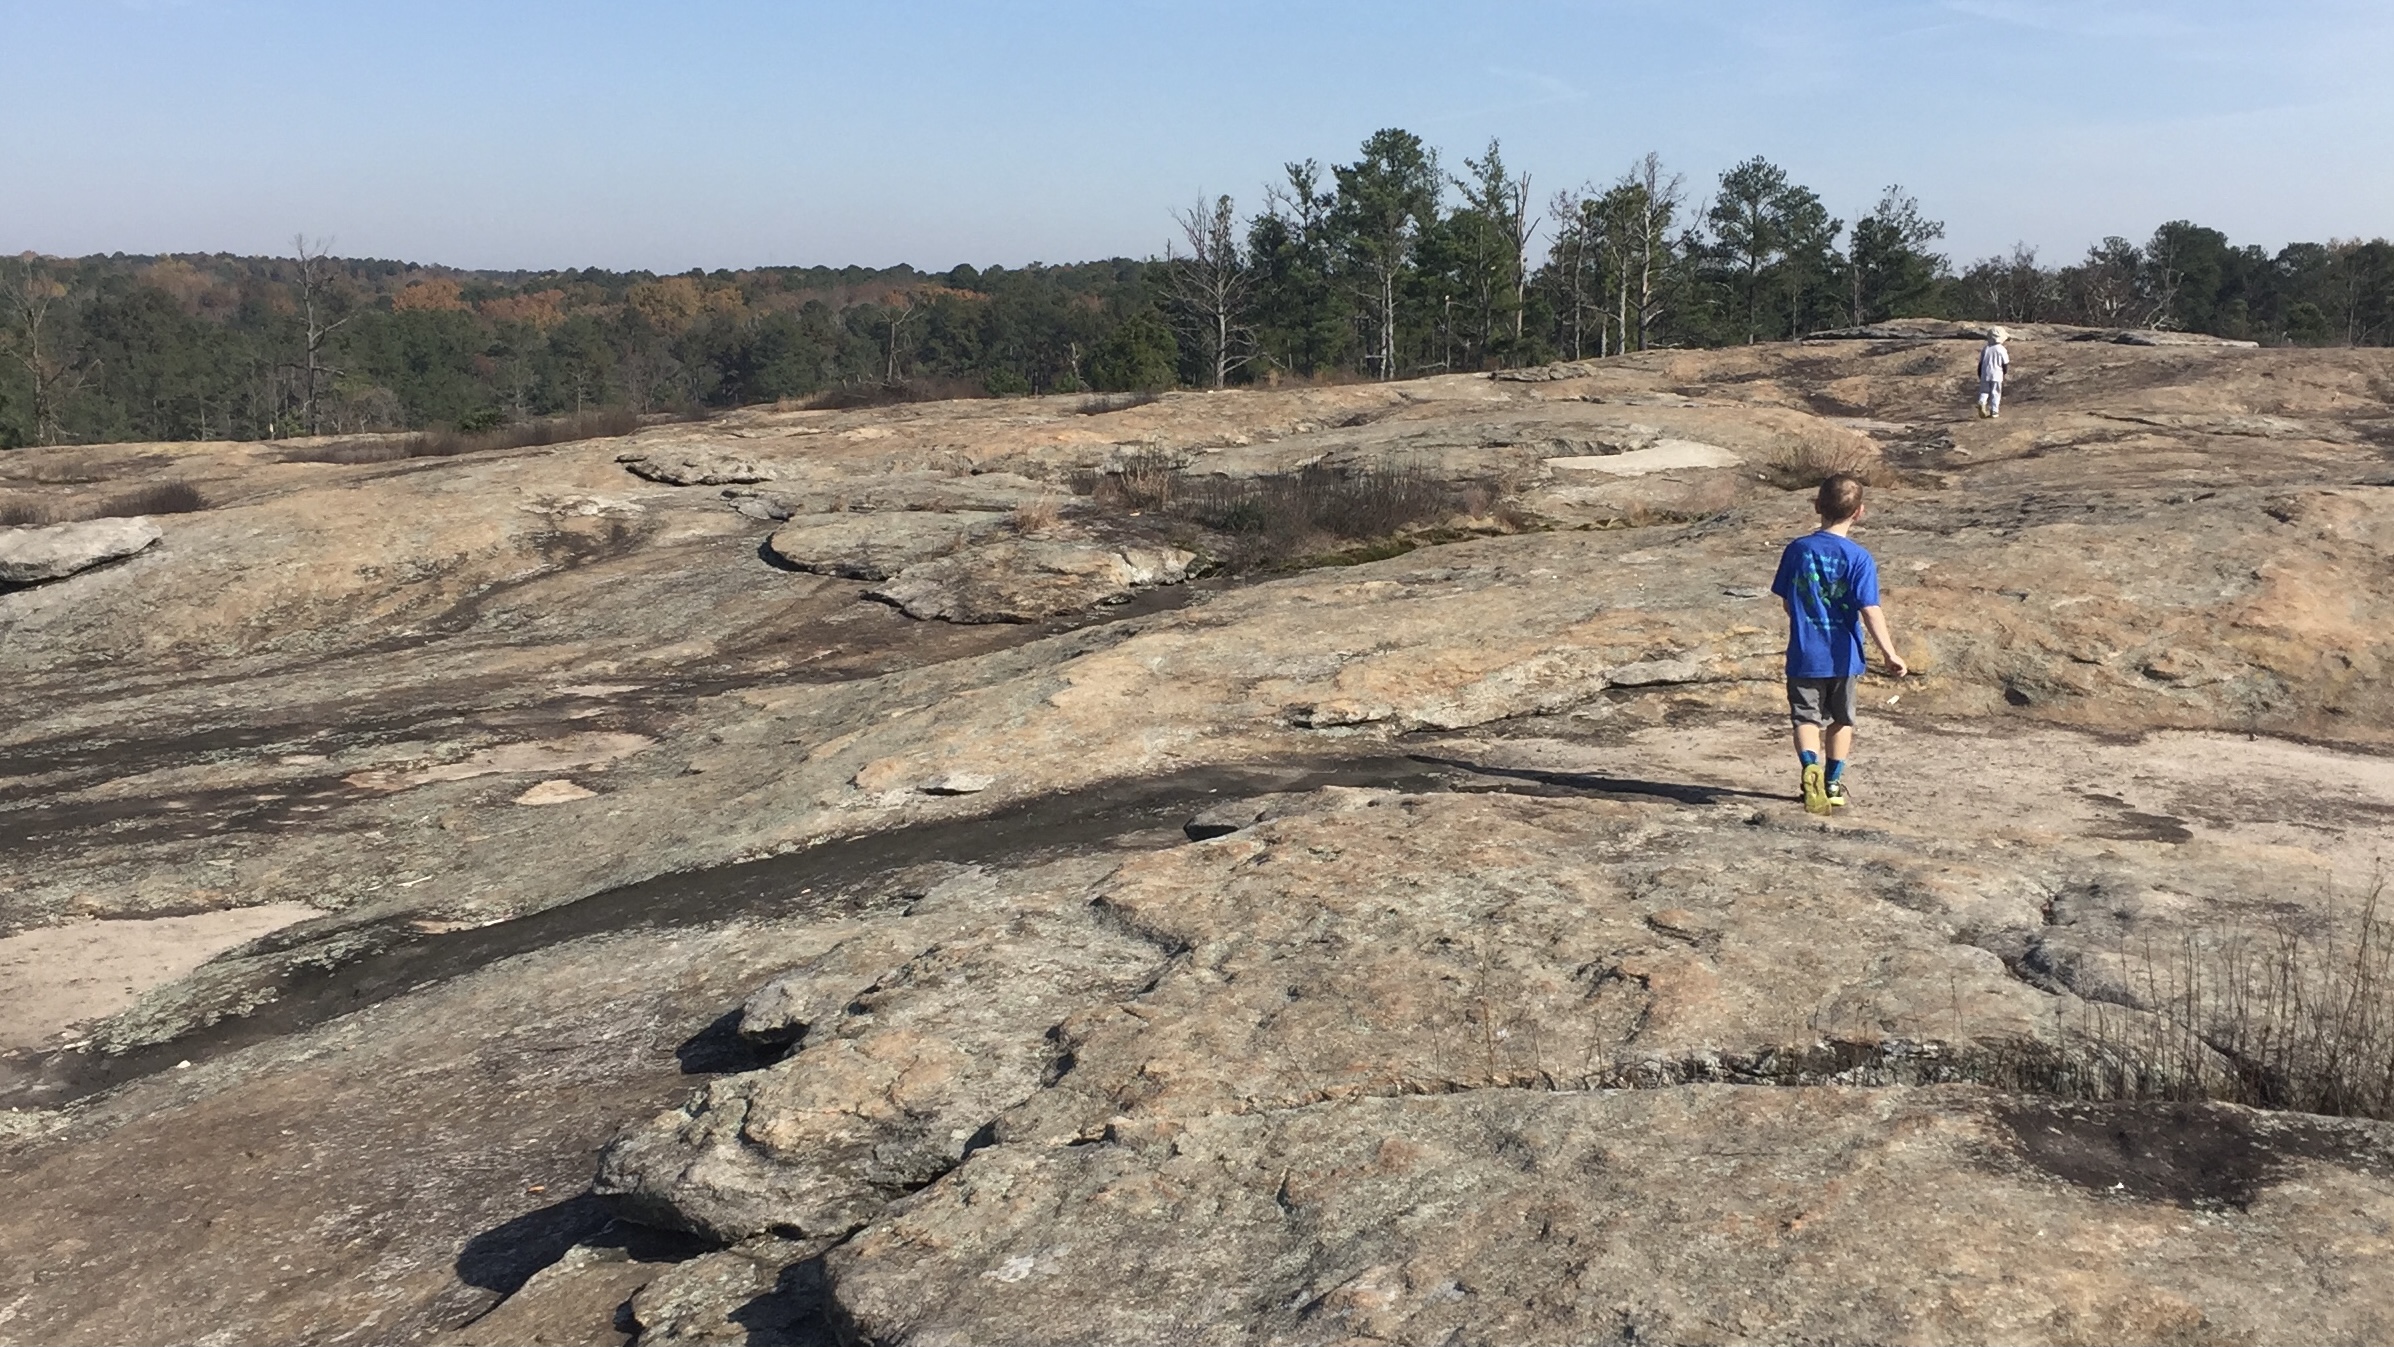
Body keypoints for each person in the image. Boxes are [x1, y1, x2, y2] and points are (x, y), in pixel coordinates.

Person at [1770, 474, 1907, 814]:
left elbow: (1788, 602)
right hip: (1844, 656)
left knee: (1805, 718)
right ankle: (1832, 783)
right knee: (1842, 720)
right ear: (1859, 512)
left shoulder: (1797, 550)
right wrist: (1889, 653)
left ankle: (1809, 770)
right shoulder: (1859, 558)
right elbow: (1869, 609)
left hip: (1804, 653)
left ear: (1817, 506)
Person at [1976, 327, 2010, 419]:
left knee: (1984, 391)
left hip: (1985, 373)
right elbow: (2005, 364)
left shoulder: (1986, 348)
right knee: (1996, 392)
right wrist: (2004, 372)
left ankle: (1982, 402)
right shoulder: (2001, 349)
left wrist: (1980, 374)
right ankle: (1994, 411)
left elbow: (1980, 363)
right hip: (1997, 374)